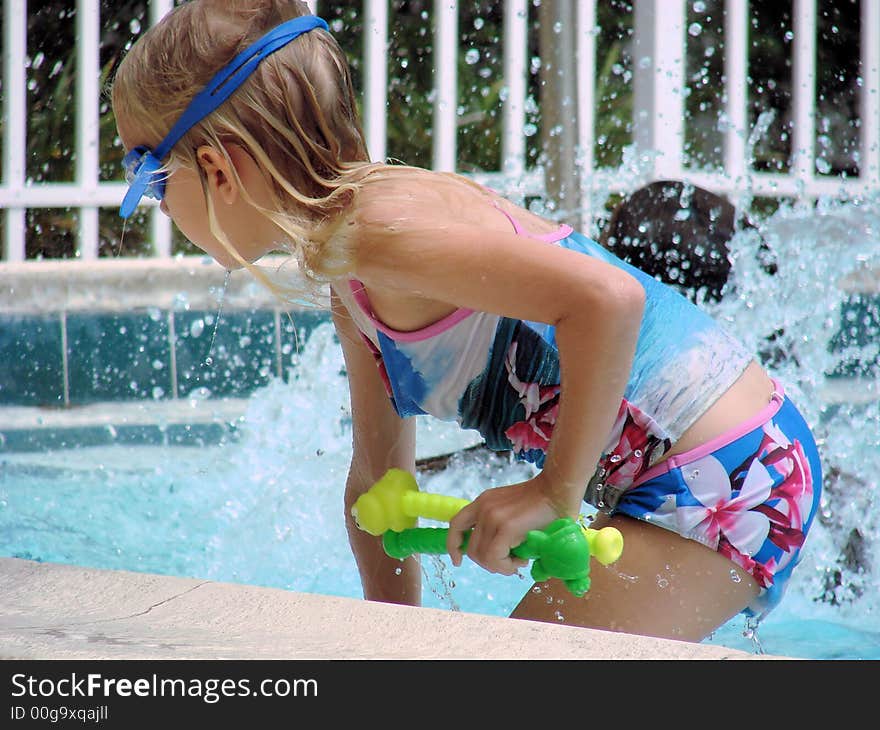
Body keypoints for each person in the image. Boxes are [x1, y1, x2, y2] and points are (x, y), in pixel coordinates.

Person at [111, 0, 823, 642]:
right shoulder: (351, 268)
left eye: (152, 182)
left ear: (218, 167)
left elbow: (608, 301)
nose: (161, 212)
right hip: (706, 462)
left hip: (732, 467)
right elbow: (372, 483)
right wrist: (393, 636)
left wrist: (553, 494)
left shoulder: (383, 231)